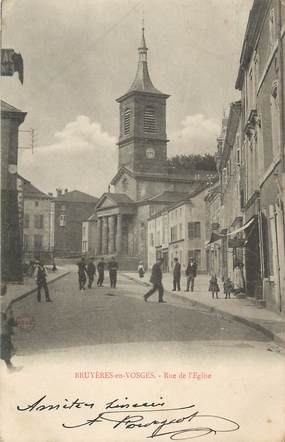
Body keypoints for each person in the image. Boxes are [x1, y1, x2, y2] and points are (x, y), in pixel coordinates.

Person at [0, 295, 21, 372]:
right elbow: (9, 321)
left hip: (4, 333)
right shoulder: (5, 312)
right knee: (6, 351)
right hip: (3, 334)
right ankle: (10, 368)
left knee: (7, 350)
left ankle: (10, 367)